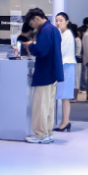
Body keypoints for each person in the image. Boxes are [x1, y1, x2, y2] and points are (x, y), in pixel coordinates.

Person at [23, 8, 63, 145]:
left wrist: (31, 46)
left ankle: (40, 134)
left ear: (36, 18)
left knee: (40, 105)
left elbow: (41, 50)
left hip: (45, 72)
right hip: (53, 72)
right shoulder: (54, 29)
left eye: (32, 23)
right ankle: (48, 133)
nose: (32, 27)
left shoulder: (45, 30)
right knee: (48, 106)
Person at [54, 13, 76, 133]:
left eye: (61, 20)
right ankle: (65, 122)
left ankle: (65, 122)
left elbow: (61, 52)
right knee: (64, 96)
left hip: (66, 66)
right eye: (57, 20)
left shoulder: (67, 34)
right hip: (65, 66)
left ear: (67, 21)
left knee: (65, 96)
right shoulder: (63, 34)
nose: (58, 23)